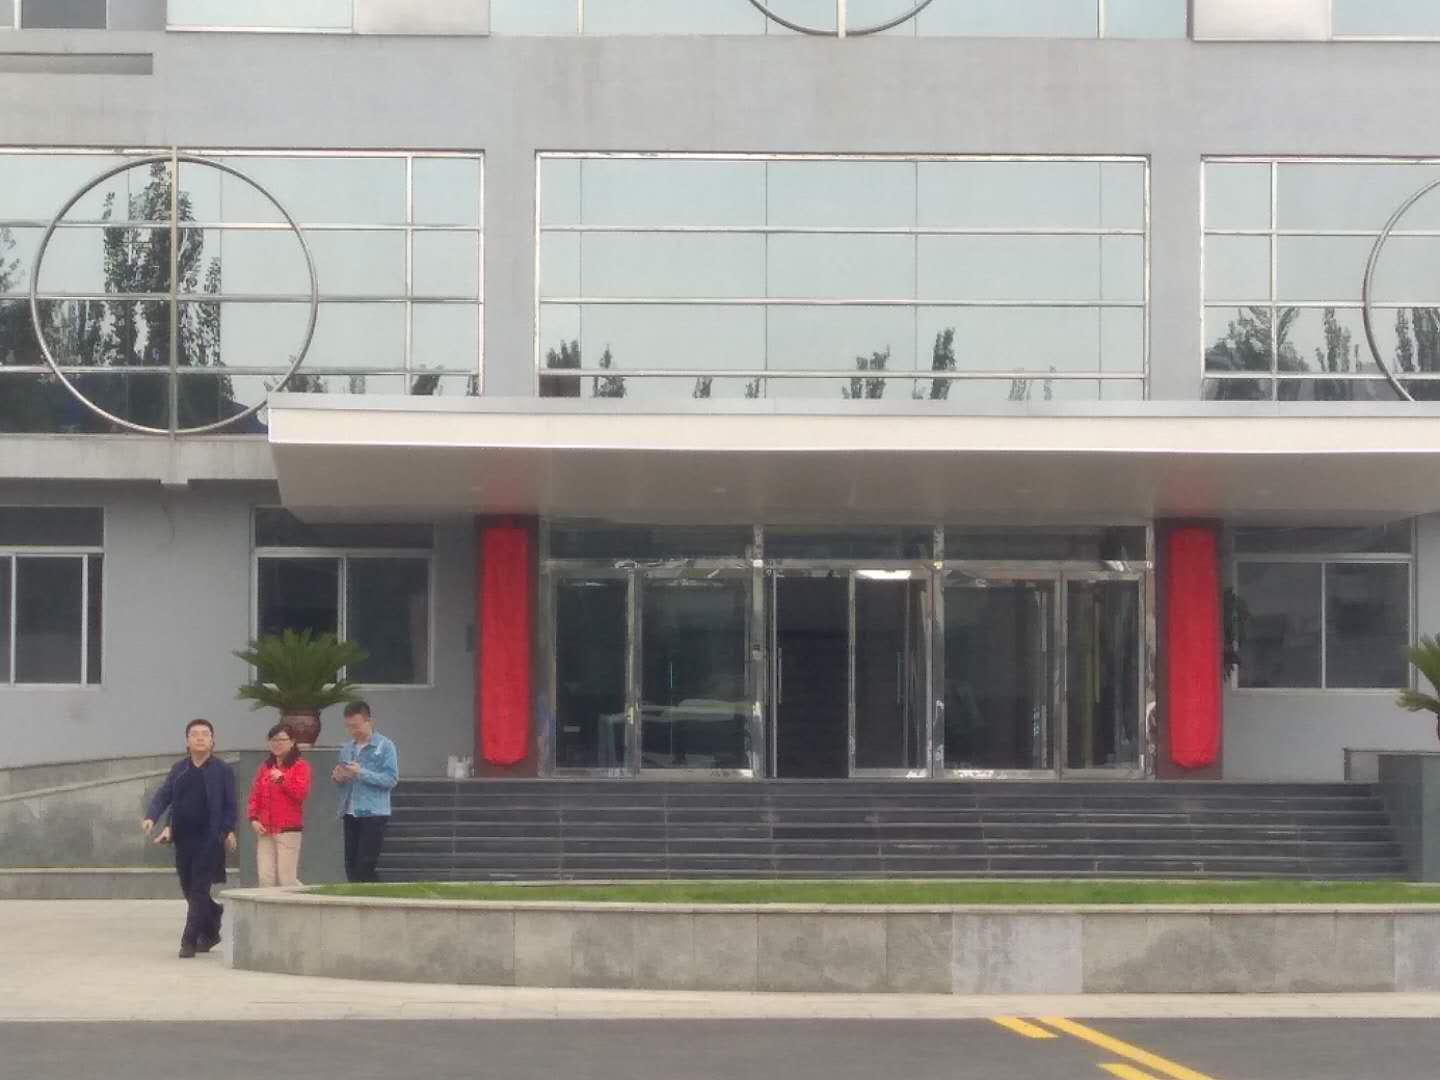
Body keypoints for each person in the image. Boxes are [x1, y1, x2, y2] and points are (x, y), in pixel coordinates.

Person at [142, 719, 238, 959]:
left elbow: (230, 805)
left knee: (198, 889)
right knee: (189, 889)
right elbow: (164, 795)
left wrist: (227, 830)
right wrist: (152, 817)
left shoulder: (222, 770)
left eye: (205, 734)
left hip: (210, 839)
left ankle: (189, 940)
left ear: (212, 740)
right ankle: (213, 919)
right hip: (183, 839)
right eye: (195, 734)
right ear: (187, 741)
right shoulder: (180, 769)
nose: (200, 738)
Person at [332, 701, 398, 883]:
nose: (353, 731)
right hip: (350, 811)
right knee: (350, 863)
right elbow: (344, 782)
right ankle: (355, 894)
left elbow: (391, 779)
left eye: (356, 726)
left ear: (369, 721)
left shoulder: (385, 746)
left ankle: (370, 895)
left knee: (365, 863)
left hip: (373, 812)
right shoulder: (347, 748)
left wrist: (361, 773)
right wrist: (339, 777)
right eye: (349, 726)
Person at [246, 722, 312, 887]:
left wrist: (283, 779)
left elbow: (301, 794)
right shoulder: (265, 767)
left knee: (287, 878)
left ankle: (299, 901)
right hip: (265, 829)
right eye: (273, 740)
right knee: (265, 877)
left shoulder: (300, 766)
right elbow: (255, 795)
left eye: (282, 740)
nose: (277, 744)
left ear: (292, 742)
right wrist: (253, 818)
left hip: (288, 829)